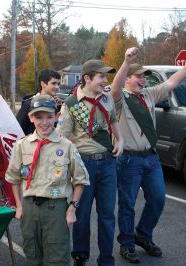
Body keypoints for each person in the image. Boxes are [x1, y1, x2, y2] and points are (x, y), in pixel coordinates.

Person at [110, 47, 186, 263]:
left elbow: (173, 82)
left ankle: (142, 235)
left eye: (145, 77)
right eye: (138, 77)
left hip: (151, 158)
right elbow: (115, 87)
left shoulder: (150, 95)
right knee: (128, 204)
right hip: (129, 160)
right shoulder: (119, 99)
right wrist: (125, 62)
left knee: (158, 199)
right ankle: (126, 243)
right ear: (127, 79)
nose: (143, 81)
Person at [6, 94, 89, 265]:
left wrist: (72, 208)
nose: (44, 122)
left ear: (57, 117)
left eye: (49, 117)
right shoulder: (22, 145)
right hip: (29, 208)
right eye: (39, 117)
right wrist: (19, 205)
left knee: (57, 257)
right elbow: (13, 177)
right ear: (30, 118)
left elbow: (80, 180)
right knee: (32, 255)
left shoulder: (67, 146)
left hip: (56, 209)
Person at [57, 59, 125, 266]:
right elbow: (63, 137)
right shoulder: (71, 104)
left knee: (107, 216)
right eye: (102, 76)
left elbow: (113, 120)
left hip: (107, 164)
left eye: (106, 76)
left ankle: (106, 259)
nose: (106, 80)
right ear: (87, 78)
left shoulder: (107, 99)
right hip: (83, 164)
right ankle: (80, 255)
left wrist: (120, 140)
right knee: (82, 214)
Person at [16, 69, 62, 135]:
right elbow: (18, 128)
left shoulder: (57, 104)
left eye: (58, 84)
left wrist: (59, 107)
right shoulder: (29, 104)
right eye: (53, 83)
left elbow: (58, 127)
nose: (57, 87)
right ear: (43, 84)